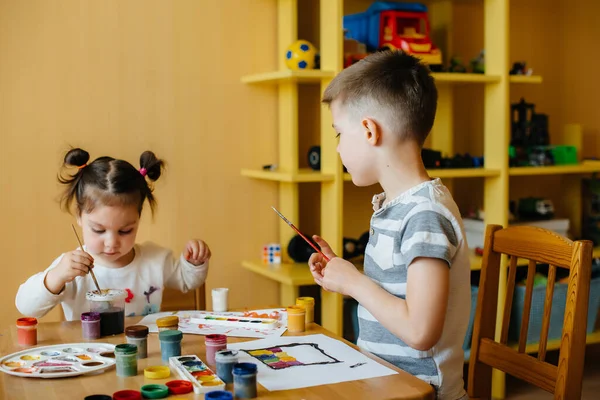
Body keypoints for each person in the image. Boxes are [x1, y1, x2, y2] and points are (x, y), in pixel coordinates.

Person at [308, 50, 470, 400]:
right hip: (386, 382)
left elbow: (420, 330)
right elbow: (395, 296)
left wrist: (354, 284)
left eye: (338, 135)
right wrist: (343, 274)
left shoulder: (426, 214)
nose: (336, 150)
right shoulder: (397, 208)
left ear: (369, 130)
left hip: (423, 393)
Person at [16, 148, 211, 320]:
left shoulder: (156, 259)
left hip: (143, 355)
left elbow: (188, 282)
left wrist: (194, 262)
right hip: (89, 358)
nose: (111, 243)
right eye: (99, 230)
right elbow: (26, 308)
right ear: (79, 216)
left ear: (138, 219)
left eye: (125, 231)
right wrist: (56, 276)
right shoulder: (71, 268)